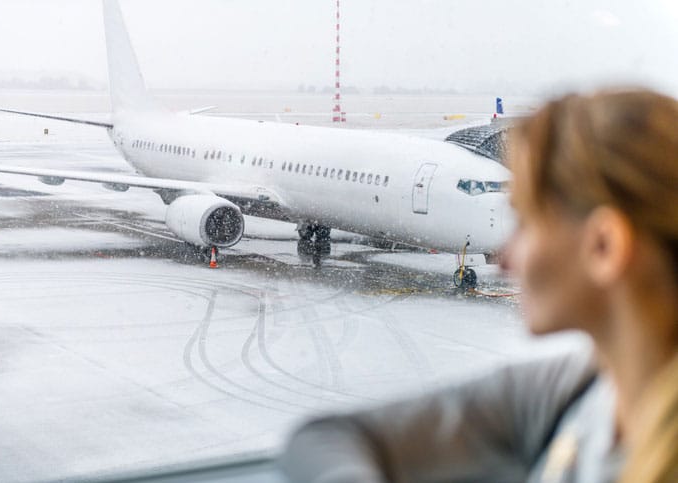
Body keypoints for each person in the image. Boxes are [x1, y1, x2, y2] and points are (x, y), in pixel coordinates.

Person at [278, 89, 678, 483]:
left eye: (524, 224)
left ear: (604, 247)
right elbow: (326, 438)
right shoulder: (578, 386)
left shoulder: (575, 394)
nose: (505, 258)